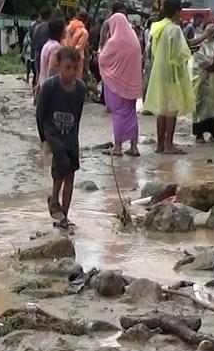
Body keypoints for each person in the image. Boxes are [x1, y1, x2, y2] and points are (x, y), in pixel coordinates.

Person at [36, 47, 86, 229]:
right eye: (67, 67)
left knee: (71, 174)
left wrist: (74, 137)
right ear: (58, 66)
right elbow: (40, 113)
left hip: (70, 135)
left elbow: (78, 114)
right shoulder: (49, 86)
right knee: (61, 165)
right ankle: (54, 198)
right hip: (53, 133)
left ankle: (64, 214)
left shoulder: (80, 89)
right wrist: (44, 139)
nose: (71, 72)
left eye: (75, 68)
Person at [142, 0, 194, 154]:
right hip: (172, 72)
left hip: (159, 70)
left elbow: (152, 49)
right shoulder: (174, 29)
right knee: (172, 110)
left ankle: (160, 145)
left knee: (162, 109)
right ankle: (169, 145)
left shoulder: (158, 27)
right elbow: (181, 53)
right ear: (178, 12)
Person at [98, 12, 142, 157]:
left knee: (118, 114)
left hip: (116, 84)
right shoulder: (134, 40)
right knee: (130, 113)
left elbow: (102, 59)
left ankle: (117, 147)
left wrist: (105, 42)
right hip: (132, 84)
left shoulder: (113, 42)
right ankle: (134, 147)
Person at [37, 18, 65, 99]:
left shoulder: (46, 44)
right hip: (51, 87)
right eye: (64, 28)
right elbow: (52, 68)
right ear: (60, 31)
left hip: (43, 82)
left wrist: (39, 84)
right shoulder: (56, 47)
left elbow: (42, 67)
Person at [63, 10, 89, 80]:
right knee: (76, 80)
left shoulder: (67, 28)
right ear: (86, 20)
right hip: (77, 58)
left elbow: (63, 42)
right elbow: (80, 47)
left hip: (65, 56)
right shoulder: (84, 32)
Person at [30, 7, 52, 86]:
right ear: (50, 15)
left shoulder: (36, 28)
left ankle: (38, 95)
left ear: (40, 16)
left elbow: (33, 43)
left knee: (39, 76)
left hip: (38, 55)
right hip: (50, 55)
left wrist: (32, 56)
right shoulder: (51, 26)